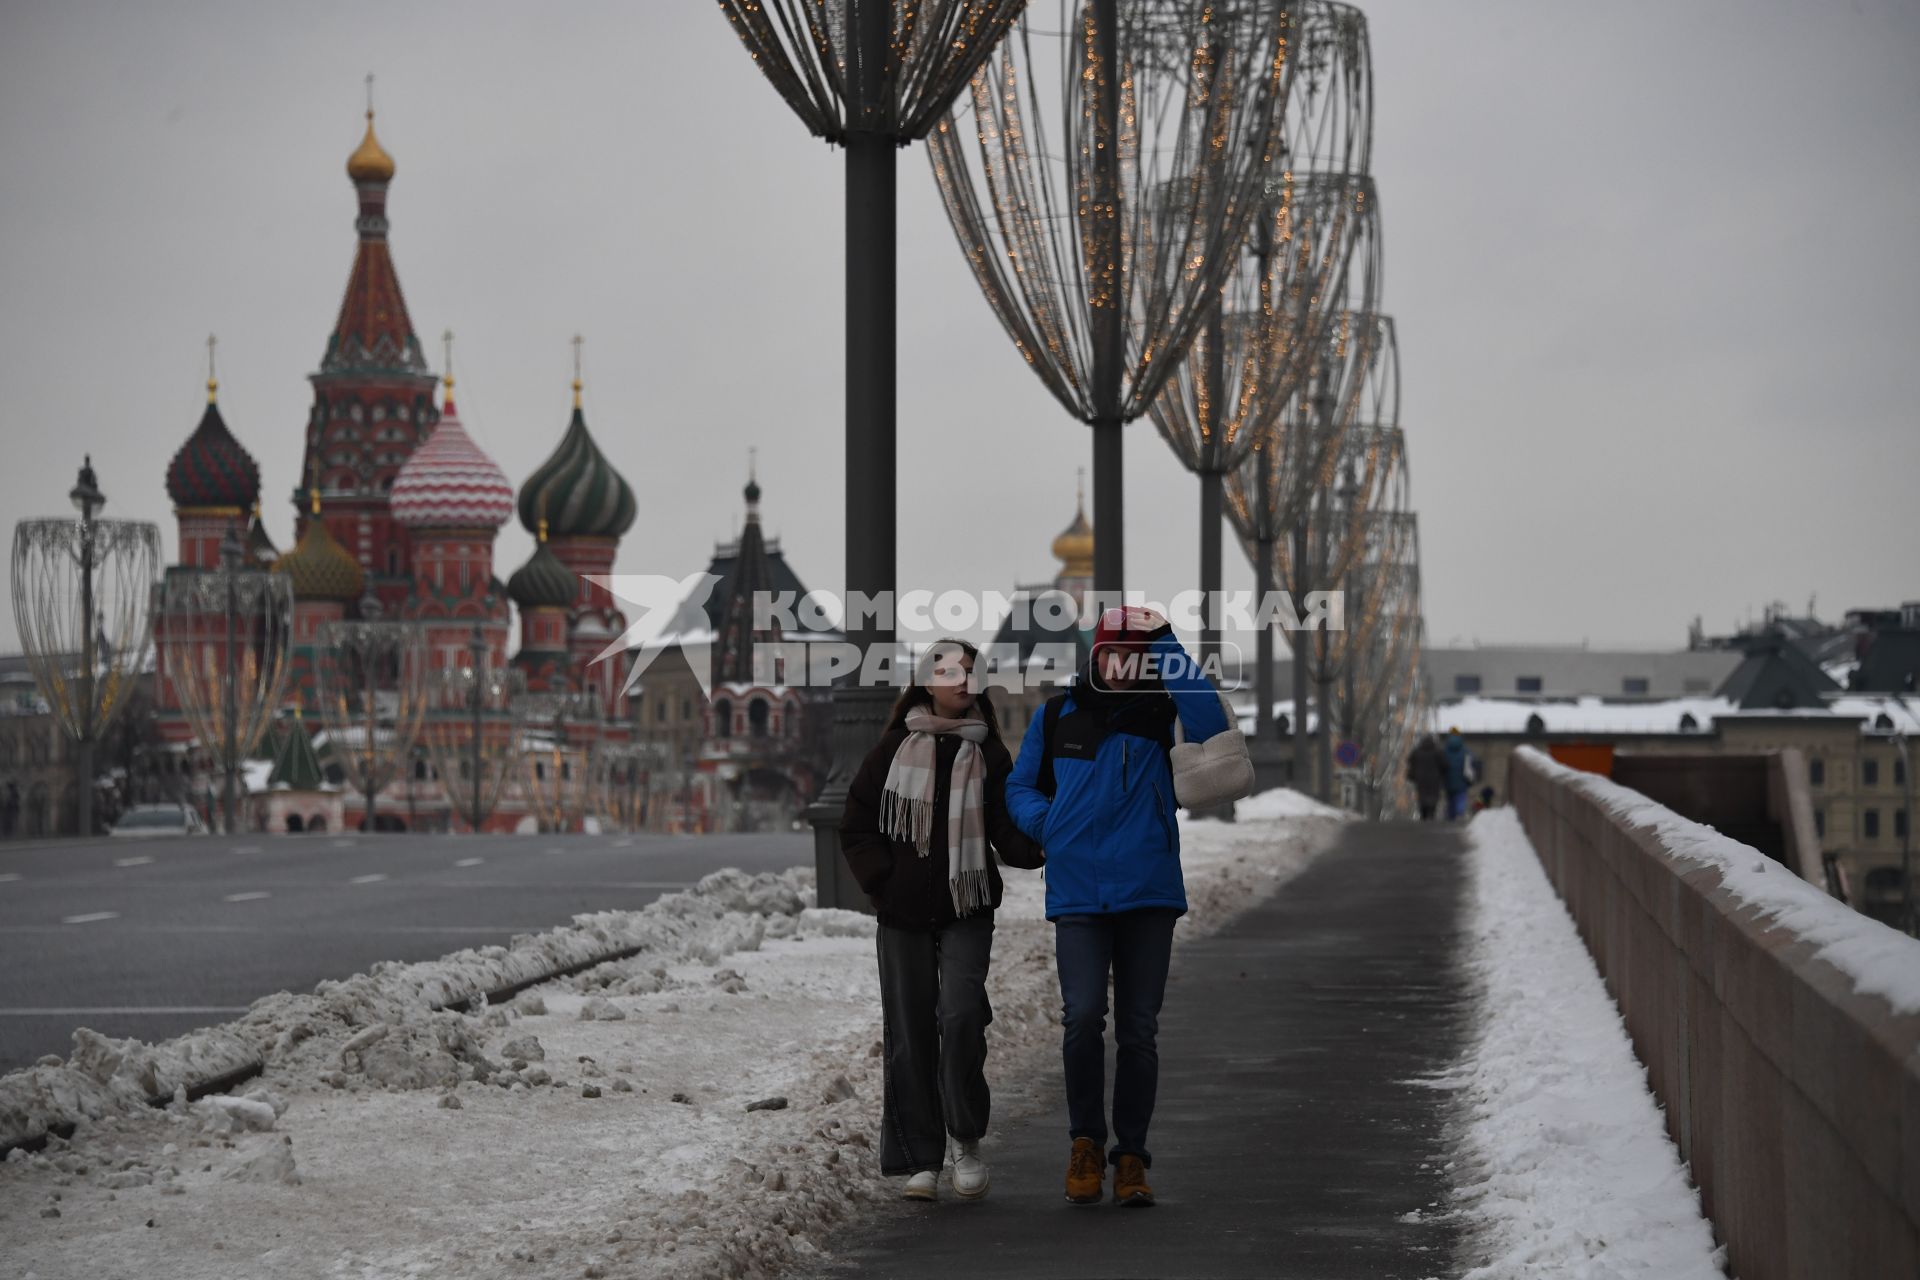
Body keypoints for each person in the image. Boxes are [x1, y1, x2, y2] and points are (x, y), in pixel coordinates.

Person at [1005, 604, 1229, 1208]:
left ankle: (1131, 1156)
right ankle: (1084, 1142)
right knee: (1081, 1020)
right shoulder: (1057, 714)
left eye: (1137, 655)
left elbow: (1214, 727)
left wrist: (1166, 640)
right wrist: (1047, 825)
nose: (1124, 665)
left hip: (1148, 891)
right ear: (1096, 655)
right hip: (1077, 891)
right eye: (1114, 653)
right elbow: (1020, 785)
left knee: (1137, 1030)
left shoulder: (1166, 713)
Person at [840, 638, 1043, 1203]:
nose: (960, 680)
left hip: (967, 908)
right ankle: (920, 1159)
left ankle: (967, 1141)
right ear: (927, 682)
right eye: (949, 671)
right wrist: (883, 881)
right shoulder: (891, 750)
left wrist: (1047, 840)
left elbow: (1006, 828)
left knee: (958, 1018)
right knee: (909, 1035)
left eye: (969, 672)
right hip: (902, 916)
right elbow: (856, 825)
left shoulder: (990, 754)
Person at [1406, 734, 1445, 820]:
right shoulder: (1437, 751)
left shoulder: (1417, 751)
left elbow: (1410, 760)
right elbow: (1444, 765)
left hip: (1420, 778)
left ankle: (1423, 814)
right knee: (1433, 795)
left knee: (1422, 795)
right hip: (1434, 778)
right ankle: (1431, 813)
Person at [1441, 728, 1472, 820]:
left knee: (1450, 799)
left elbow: (1442, 765)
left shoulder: (1445, 750)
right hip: (1462, 779)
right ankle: (1460, 813)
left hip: (1448, 779)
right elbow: (1471, 764)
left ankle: (1451, 816)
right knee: (1460, 797)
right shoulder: (1465, 750)